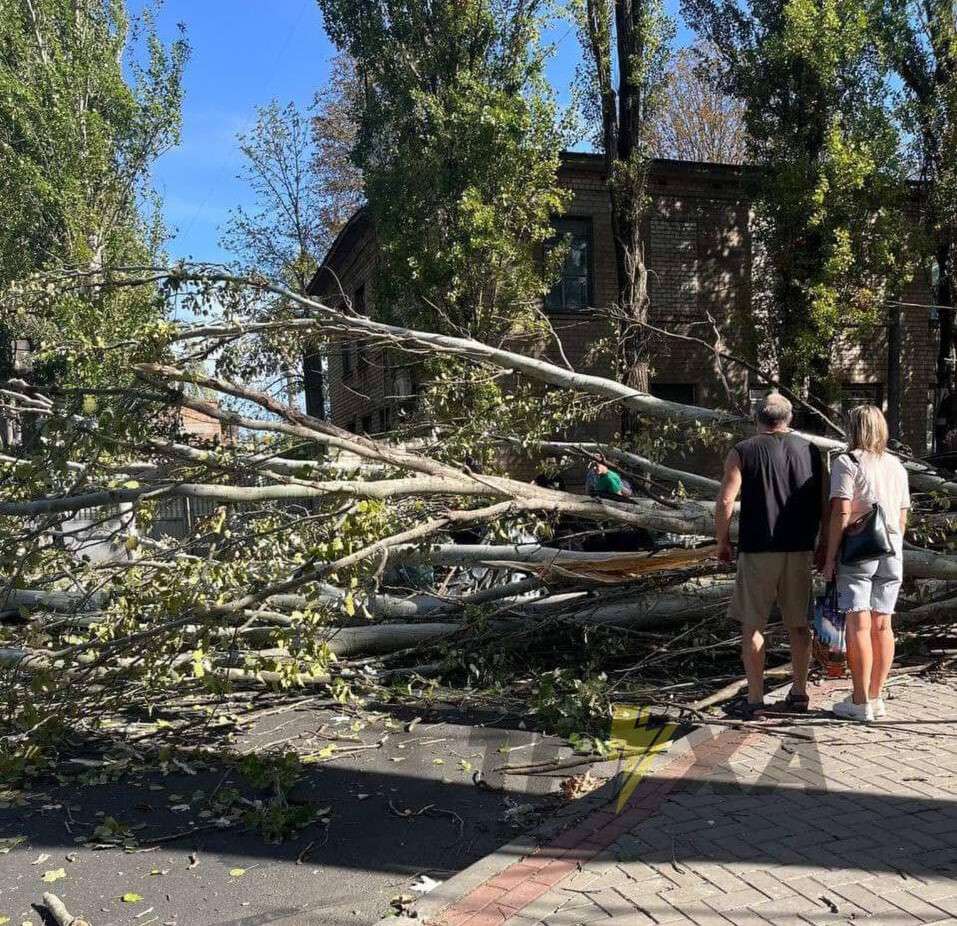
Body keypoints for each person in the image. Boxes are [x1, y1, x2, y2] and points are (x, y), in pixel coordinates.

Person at [715, 393, 824, 719]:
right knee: (800, 625)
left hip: (758, 549)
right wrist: (825, 544)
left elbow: (724, 502)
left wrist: (721, 540)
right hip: (801, 548)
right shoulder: (811, 450)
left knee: (753, 625)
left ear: (757, 418)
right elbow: (825, 501)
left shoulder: (743, 451)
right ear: (789, 418)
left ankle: (755, 698)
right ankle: (800, 692)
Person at [822, 405, 909, 722]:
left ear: (853, 428)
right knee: (883, 624)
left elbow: (842, 513)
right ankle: (875, 696)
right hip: (892, 548)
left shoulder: (847, 462)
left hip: (859, 550)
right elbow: (901, 516)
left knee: (858, 624)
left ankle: (859, 702)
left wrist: (830, 558)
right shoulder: (897, 465)